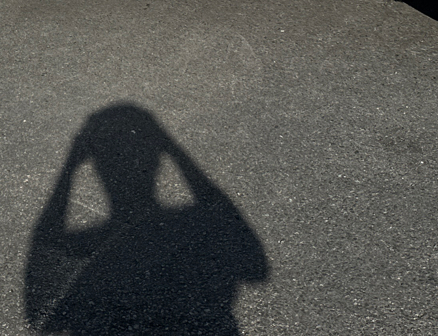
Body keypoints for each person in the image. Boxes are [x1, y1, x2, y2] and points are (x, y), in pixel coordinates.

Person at [24, 103, 269, 335]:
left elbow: (45, 252)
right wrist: (173, 148)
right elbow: (252, 262)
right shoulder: (189, 225)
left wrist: (69, 169)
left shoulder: (85, 245)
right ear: (157, 163)